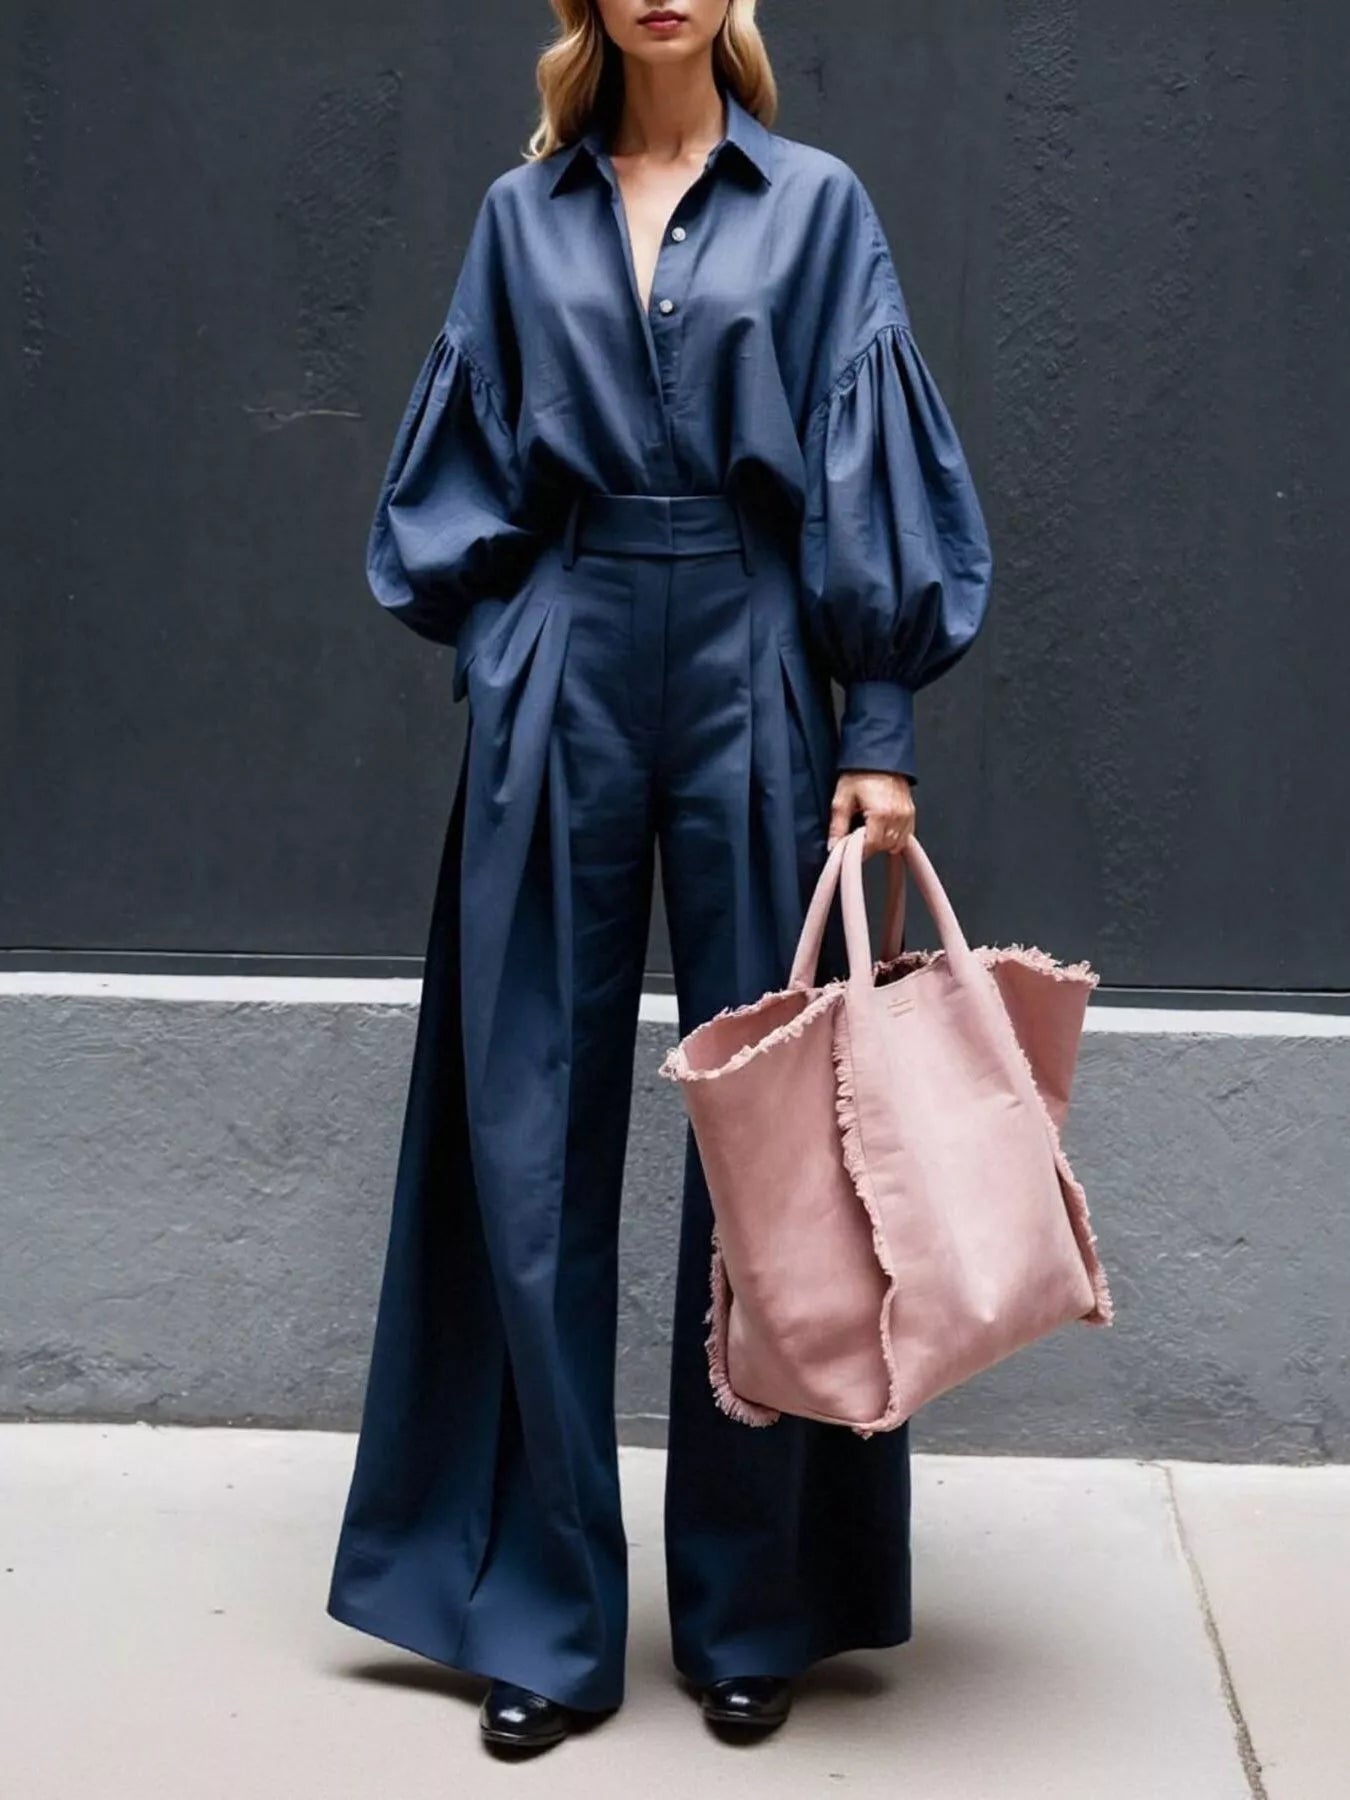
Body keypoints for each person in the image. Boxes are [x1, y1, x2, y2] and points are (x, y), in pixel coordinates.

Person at [327, 0, 992, 1754]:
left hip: (759, 658)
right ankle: (540, 1613)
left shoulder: (818, 205)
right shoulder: (517, 212)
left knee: (772, 1136)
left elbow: (870, 468)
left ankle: (753, 1600)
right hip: (571, 646)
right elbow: (449, 475)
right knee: (523, 1120)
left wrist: (878, 727)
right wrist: (507, 644)